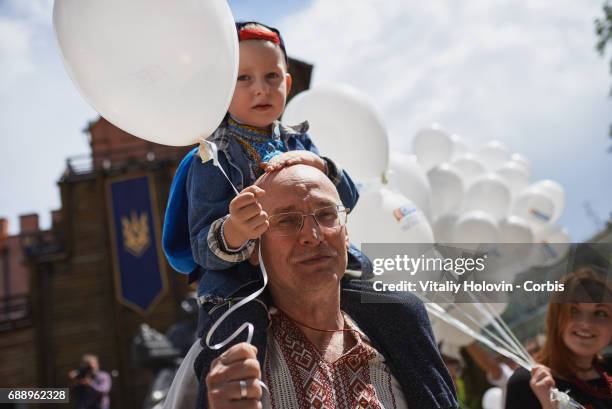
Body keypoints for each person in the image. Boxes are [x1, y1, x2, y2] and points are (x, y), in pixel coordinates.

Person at [194, 164, 457, 408]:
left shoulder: (401, 326)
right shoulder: (232, 352)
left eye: (326, 214)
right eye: (286, 220)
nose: (313, 235)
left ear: (346, 234)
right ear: (255, 248)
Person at [161, 20, 364, 337]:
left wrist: (323, 167)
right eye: (243, 78)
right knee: (233, 339)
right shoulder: (213, 157)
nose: (261, 88)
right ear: (222, 88)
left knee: (397, 306)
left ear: (287, 82)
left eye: (271, 77)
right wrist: (235, 230)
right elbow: (201, 248)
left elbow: (348, 201)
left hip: (315, 264)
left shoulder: (301, 142)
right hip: (245, 284)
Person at [505, 267, 612, 409]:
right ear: (556, 318)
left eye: (600, 313)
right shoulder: (528, 383)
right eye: (574, 310)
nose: (586, 324)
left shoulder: (608, 367)